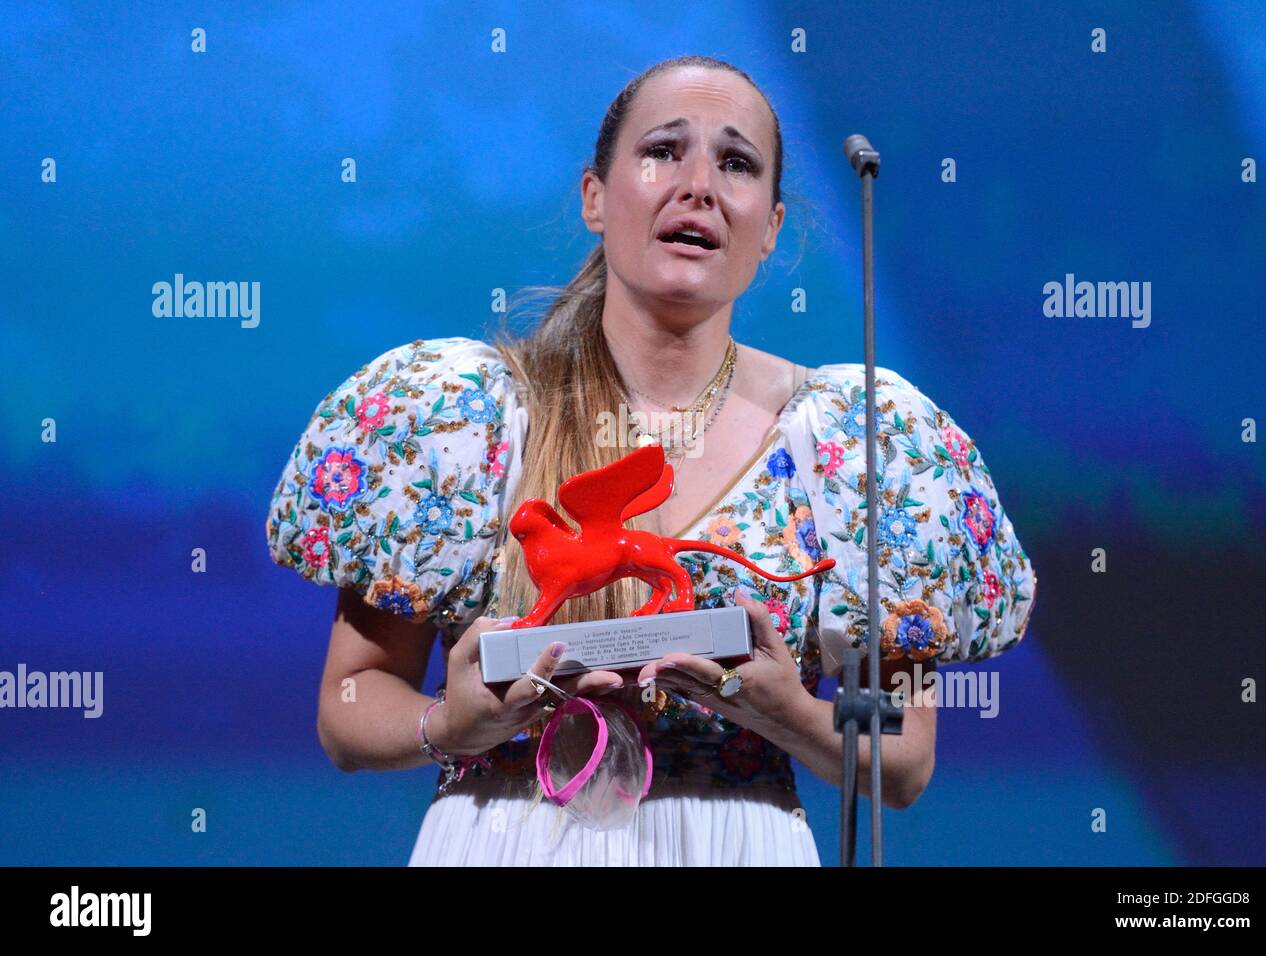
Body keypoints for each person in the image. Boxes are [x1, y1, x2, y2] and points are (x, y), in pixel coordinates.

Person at [265, 55, 1037, 866]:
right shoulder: (460, 420)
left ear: (771, 227)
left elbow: (904, 759)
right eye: (664, 151)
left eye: (735, 163)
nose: (698, 184)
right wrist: (452, 727)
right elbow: (348, 708)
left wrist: (786, 715)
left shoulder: (870, 445)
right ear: (595, 198)